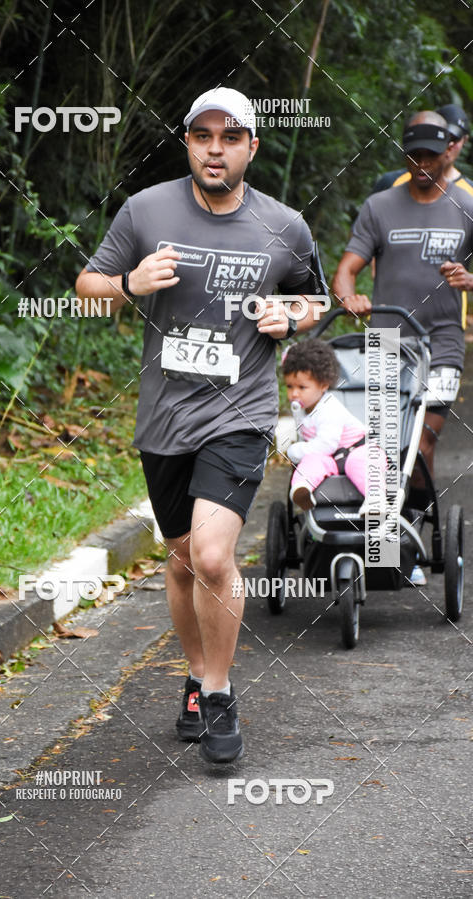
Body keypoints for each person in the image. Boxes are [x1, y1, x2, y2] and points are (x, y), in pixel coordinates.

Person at [76, 87, 326, 763]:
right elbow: (86, 285)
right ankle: (193, 674)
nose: (214, 148)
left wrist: (291, 317)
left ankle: (218, 692)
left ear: (251, 146)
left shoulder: (284, 225)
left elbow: (317, 299)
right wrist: (130, 282)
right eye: (201, 135)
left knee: (215, 556)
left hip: (239, 414)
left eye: (229, 136)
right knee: (183, 560)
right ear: (187, 141)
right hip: (164, 418)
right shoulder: (146, 209)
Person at [332, 110, 473, 584]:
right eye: (412, 155)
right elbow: (348, 267)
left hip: (443, 340)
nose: (421, 164)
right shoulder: (379, 206)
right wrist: (348, 296)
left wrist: (468, 279)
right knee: (385, 440)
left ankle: (409, 533)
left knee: (422, 440)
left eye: (430, 155)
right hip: (389, 338)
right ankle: (384, 542)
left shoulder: (466, 205)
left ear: (447, 153)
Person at [281, 339, 385, 513]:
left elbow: (325, 445)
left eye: (301, 387)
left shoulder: (329, 409)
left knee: (360, 463)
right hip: (331, 457)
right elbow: (315, 446)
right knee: (312, 461)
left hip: (360, 449)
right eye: (289, 386)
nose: (294, 393)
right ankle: (302, 489)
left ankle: (375, 499)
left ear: (323, 385)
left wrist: (294, 450)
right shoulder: (301, 407)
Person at [372, 104, 472, 196]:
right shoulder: (392, 182)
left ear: (465, 140)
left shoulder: (469, 193)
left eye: (454, 138)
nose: (449, 144)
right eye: (442, 138)